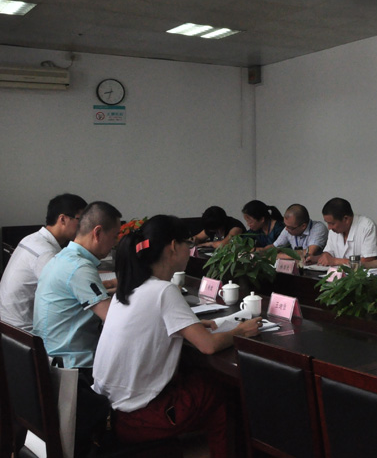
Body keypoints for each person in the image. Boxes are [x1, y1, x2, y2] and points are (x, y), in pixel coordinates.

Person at [92, 215, 260, 458]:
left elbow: (152, 324)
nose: (189, 250)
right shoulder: (163, 291)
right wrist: (240, 331)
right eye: (188, 244)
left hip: (108, 411)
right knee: (222, 395)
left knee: (197, 378)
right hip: (138, 417)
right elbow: (208, 346)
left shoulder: (128, 289)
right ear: (173, 246)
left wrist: (189, 325)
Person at [33, 201, 122, 368]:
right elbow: (115, 319)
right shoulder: (79, 267)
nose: (115, 242)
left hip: (49, 359)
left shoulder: (62, 257)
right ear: (98, 233)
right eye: (114, 236)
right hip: (73, 368)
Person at [0, 193, 87, 329]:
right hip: (23, 331)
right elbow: (71, 292)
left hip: (7, 323)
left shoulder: (32, 238)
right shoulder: (45, 253)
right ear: (63, 219)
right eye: (80, 220)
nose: (84, 227)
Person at [316, 198, 377, 265]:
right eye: (327, 223)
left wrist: (335, 261)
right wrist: (325, 256)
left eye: (332, 223)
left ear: (346, 219)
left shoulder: (367, 227)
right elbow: (328, 252)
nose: (329, 228)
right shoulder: (334, 230)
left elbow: (368, 262)